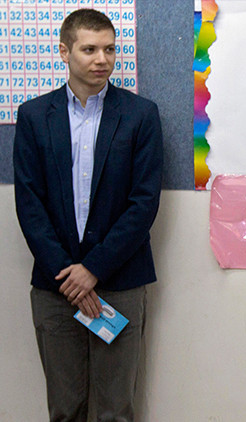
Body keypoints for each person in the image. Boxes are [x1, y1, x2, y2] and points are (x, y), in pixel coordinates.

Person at [13, 9, 163, 421]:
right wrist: (69, 274)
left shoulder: (140, 115)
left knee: (116, 410)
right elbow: (29, 203)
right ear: (64, 52)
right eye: (90, 49)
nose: (102, 59)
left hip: (120, 282)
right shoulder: (33, 116)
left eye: (109, 50)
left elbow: (144, 202)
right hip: (56, 285)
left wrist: (93, 269)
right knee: (65, 409)